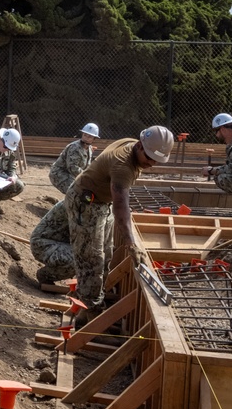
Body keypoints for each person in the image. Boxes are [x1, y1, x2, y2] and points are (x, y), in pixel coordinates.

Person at [65, 125, 174, 314]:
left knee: (106, 254)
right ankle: (88, 316)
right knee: (91, 259)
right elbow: (121, 206)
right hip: (86, 202)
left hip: (100, 202)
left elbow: (120, 199)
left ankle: (95, 299)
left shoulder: (132, 145)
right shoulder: (123, 166)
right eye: (149, 158)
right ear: (140, 146)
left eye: (157, 160)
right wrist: (131, 243)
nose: (151, 163)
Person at [30, 200, 113, 286]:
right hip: (43, 244)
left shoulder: (98, 204)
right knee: (80, 261)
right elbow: (87, 243)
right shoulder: (82, 204)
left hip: (60, 243)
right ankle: (46, 275)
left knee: (87, 257)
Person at [49, 123, 99, 194]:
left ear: (94, 139)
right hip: (60, 175)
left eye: (89, 136)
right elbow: (72, 168)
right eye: (84, 135)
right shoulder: (74, 148)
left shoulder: (89, 149)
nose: (86, 138)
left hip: (72, 175)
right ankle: (59, 205)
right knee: (76, 193)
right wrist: (87, 177)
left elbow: (87, 166)